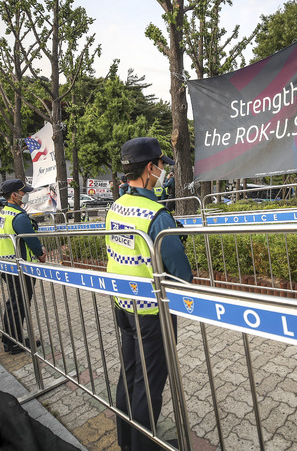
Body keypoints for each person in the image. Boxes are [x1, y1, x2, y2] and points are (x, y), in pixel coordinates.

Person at [106, 137, 192, 451]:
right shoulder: (157, 216)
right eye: (161, 167)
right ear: (150, 168)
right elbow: (181, 274)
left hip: (122, 304)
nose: (164, 173)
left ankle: (127, 441)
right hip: (152, 313)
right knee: (149, 384)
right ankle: (143, 445)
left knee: (129, 375)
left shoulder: (115, 207)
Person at [0, 179, 47, 355]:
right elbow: (31, 239)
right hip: (20, 267)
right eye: (23, 192)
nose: (25, 196)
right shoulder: (18, 216)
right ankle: (14, 342)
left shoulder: (4, 213)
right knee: (19, 305)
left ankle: (10, 338)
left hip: (8, 264)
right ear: (14, 195)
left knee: (14, 304)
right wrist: (40, 253)